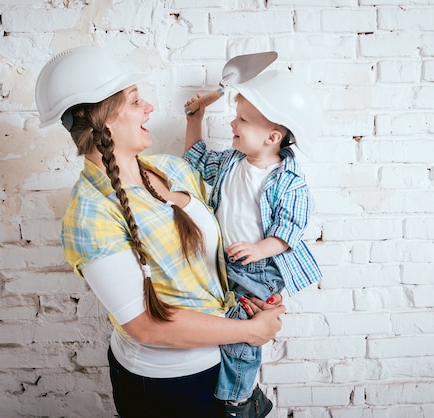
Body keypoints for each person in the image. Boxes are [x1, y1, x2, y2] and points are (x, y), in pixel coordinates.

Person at [34, 45, 286, 418]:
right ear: (105, 119)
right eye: (136, 100)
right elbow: (145, 326)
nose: (150, 107)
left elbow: (215, 253)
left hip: (221, 361)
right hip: (168, 386)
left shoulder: (171, 169)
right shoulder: (90, 215)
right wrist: (250, 333)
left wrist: (255, 298)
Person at [184, 69, 323, 418]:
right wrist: (195, 118)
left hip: (257, 269)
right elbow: (194, 160)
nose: (233, 123)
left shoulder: (288, 181)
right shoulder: (231, 162)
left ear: (271, 137)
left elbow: (291, 229)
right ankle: (240, 390)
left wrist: (259, 250)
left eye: (242, 119)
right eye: (236, 116)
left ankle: (238, 400)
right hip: (223, 262)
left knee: (241, 328)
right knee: (216, 321)